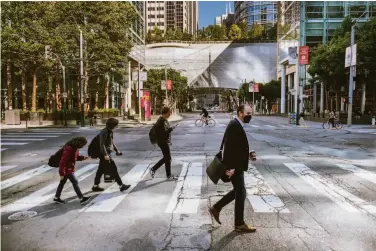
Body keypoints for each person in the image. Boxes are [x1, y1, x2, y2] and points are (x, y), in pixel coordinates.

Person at [209, 104, 257, 233]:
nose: (250, 116)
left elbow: (236, 148)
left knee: (239, 191)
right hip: (236, 166)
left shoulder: (236, 124)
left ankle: (216, 208)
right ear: (240, 113)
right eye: (248, 113)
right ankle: (239, 224)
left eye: (251, 113)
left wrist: (248, 154)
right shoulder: (235, 126)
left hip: (237, 164)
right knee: (240, 192)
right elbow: (230, 150)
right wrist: (233, 168)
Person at [92, 118, 131, 192]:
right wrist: (105, 154)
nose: (117, 126)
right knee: (114, 169)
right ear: (112, 125)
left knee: (100, 170)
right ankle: (121, 185)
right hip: (104, 154)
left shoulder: (110, 131)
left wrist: (117, 150)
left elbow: (111, 142)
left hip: (106, 153)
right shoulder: (105, 131)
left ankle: (95, 186)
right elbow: (102, 144)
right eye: (116, 125)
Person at [54, 137, 91, 205]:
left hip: (69, 169)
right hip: (67, 170)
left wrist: (83, 158)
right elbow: (63, 161)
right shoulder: (69, 148)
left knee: (62, 183)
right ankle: (81, 198)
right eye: (82, 145)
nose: (82, 146)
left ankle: (56, 197)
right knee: (75, 182)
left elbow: (74, 158)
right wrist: (61, 173)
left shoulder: (75, 148)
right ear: (79, 143)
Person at [149, 107, 178, 180]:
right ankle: (154, 169)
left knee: (167, 158)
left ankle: (168, 175)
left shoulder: (163, 120)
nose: (170, 114)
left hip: (163, 141)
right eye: (169, 113)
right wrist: (171, 129)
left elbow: (163, 132)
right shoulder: (161, 121)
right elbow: (163, 134)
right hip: (162, 142)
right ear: (164, 113)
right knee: (167, 158)